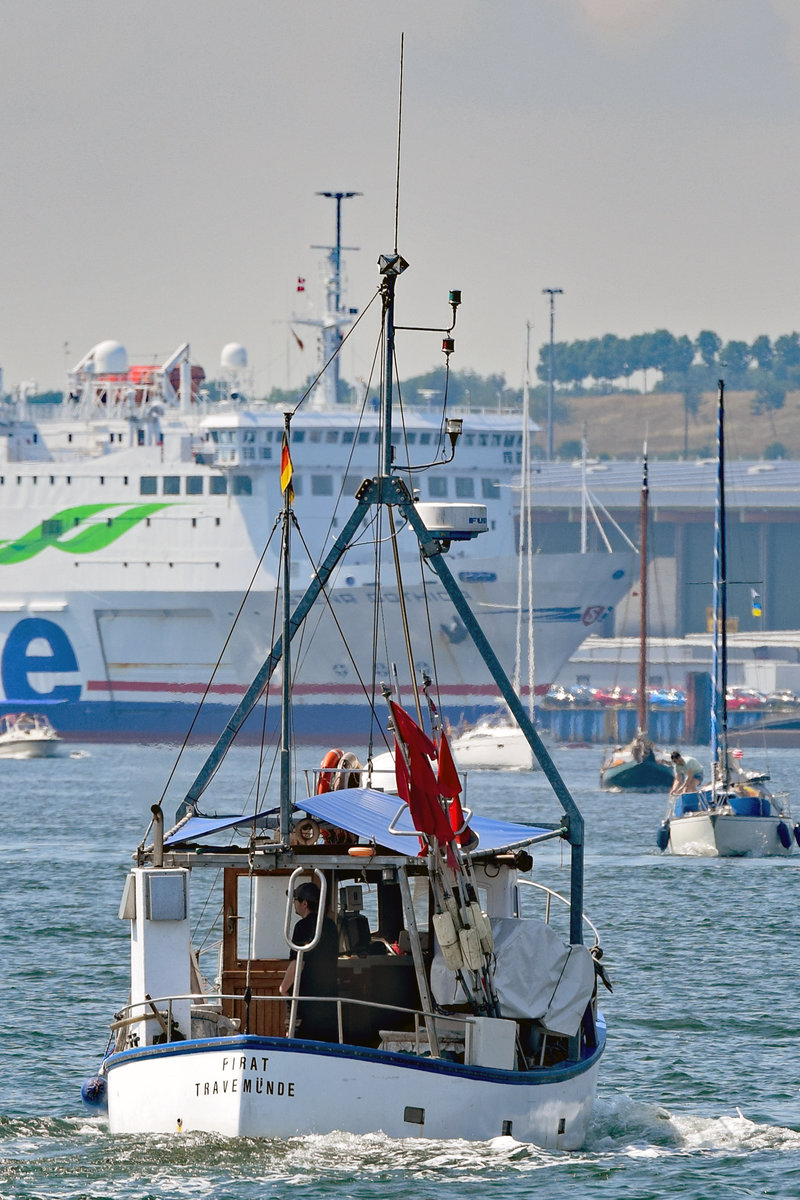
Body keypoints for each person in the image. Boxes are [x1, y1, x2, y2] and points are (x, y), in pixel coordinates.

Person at [279, 880, 339, 1042]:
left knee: (299, 1045)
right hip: (328, 1002)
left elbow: (299, 962)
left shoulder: (302, 926)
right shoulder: (331, 926)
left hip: (306, 1004)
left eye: (295, 900)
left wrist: (284, 987)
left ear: (304, 904)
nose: (294, 904)